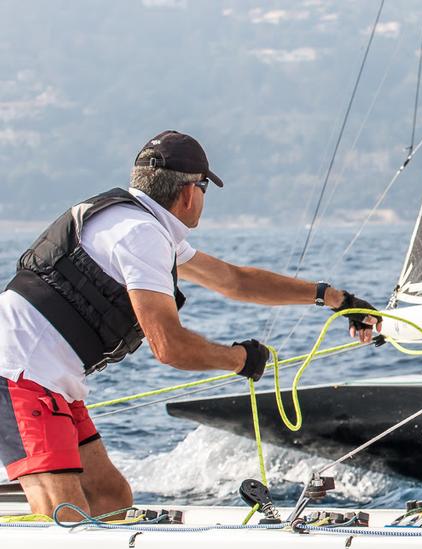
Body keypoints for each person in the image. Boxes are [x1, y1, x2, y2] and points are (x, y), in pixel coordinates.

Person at [0, 130, 380, 521]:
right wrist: (239, 360)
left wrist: (335, 298)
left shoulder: (138, 223)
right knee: (66, 514)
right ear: (188, 193)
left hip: (47, 375)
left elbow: (235, 280)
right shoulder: (141, 235)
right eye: (204, 188)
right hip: (19, 372)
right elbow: (170, 348)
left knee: (111, 496)